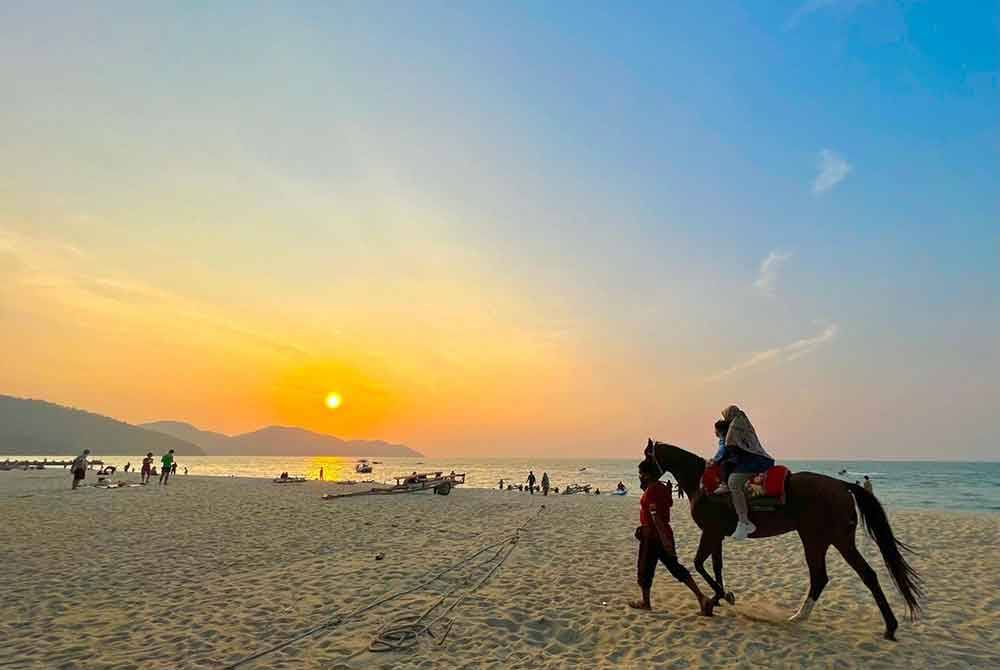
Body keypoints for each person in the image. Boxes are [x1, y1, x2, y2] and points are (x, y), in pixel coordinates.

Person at [630, 459, 713, 615]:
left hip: (653, 536)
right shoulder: (662, 488)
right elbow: (666, 505)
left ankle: (645, 603)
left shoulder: (652, 491)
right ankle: (701, 597)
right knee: (676, 568)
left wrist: (665, 541)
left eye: (641, 473)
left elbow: (656, 517)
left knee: (644, 569)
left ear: (647, 475)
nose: (639, 476)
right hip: (664, 533)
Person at [718, 406, 775, 541]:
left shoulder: (734, 426)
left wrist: (718, 461)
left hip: (755, 462)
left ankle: (744, 521)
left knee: (733, 482)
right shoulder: (743, 422)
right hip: (759, 459)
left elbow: (732, 448)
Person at [706, 419, 732, 492]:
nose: (715, 432)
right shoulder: (725, 438)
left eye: (716, 430)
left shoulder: (724, 439)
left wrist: (714, 460)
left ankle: (724, 485)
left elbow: (722, 452)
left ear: (721, 431)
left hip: (728, 461)